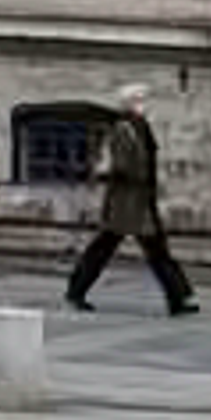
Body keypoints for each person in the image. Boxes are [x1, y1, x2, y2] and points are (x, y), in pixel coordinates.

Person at [65, 89, 196, 317]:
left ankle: (177, 298)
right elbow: (123, 165)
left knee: (149, 250)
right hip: (127, 202)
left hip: (138, 200)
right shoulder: (123, 129)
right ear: (129, 104)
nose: (143, 105)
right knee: (115, 248)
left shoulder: (139, 127)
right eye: (139, 101)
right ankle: (76, 290)